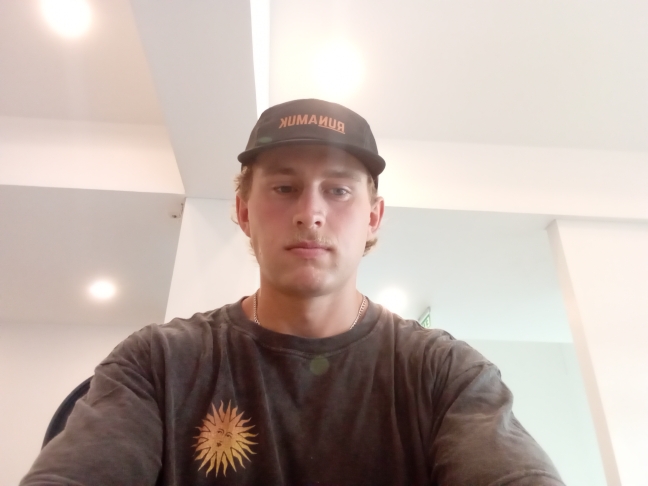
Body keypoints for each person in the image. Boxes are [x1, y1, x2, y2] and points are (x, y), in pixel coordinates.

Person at [21, 99, 564, 485]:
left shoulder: (445, 374)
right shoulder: (158, 364)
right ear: (243, 211)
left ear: (373, 218)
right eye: (284, 188)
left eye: (339, 190)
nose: (310, 213)